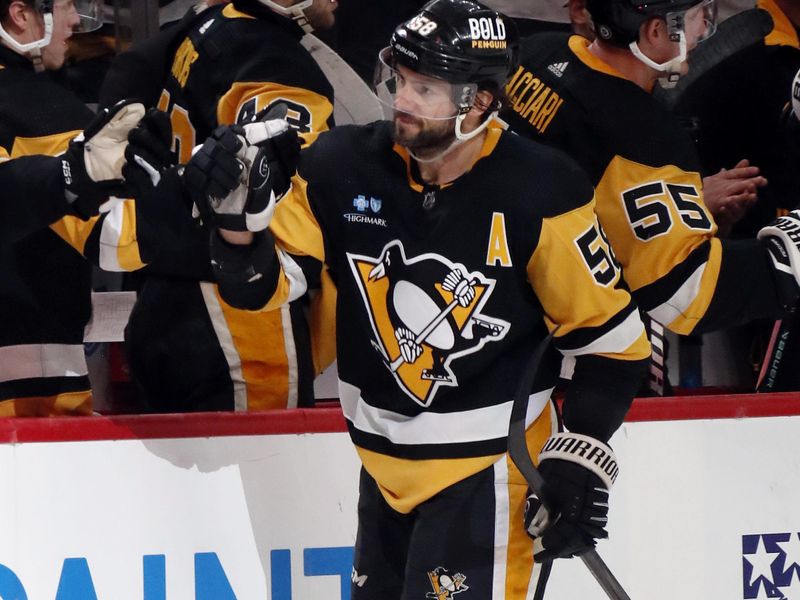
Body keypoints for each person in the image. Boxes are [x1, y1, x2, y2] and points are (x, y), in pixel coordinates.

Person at [186, 0, 651, 595]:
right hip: (379, 473)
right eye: (400, 80)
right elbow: (261, 290)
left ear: (479, 101)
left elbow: (615, 346)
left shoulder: (541, 189)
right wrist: (235, 225)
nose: (402, 101)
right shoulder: (341, 164)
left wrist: (579, 458)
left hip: (488, 476)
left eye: (426, 88)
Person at [500, 0, 800, 392]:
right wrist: (789, 250)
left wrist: (681, 204)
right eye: (695, 17)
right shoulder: (644, 136)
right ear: (656, 32)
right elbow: (687, 294)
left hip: (500, 315)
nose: (703, 30)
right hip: (570, 356)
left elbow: (573, 189)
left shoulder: (541, 52)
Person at [122, 0, 339, 414]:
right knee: (268, 471)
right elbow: (283, 221)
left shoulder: (212, 25)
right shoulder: (274, 60)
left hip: (167, 304)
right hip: (238, 321)